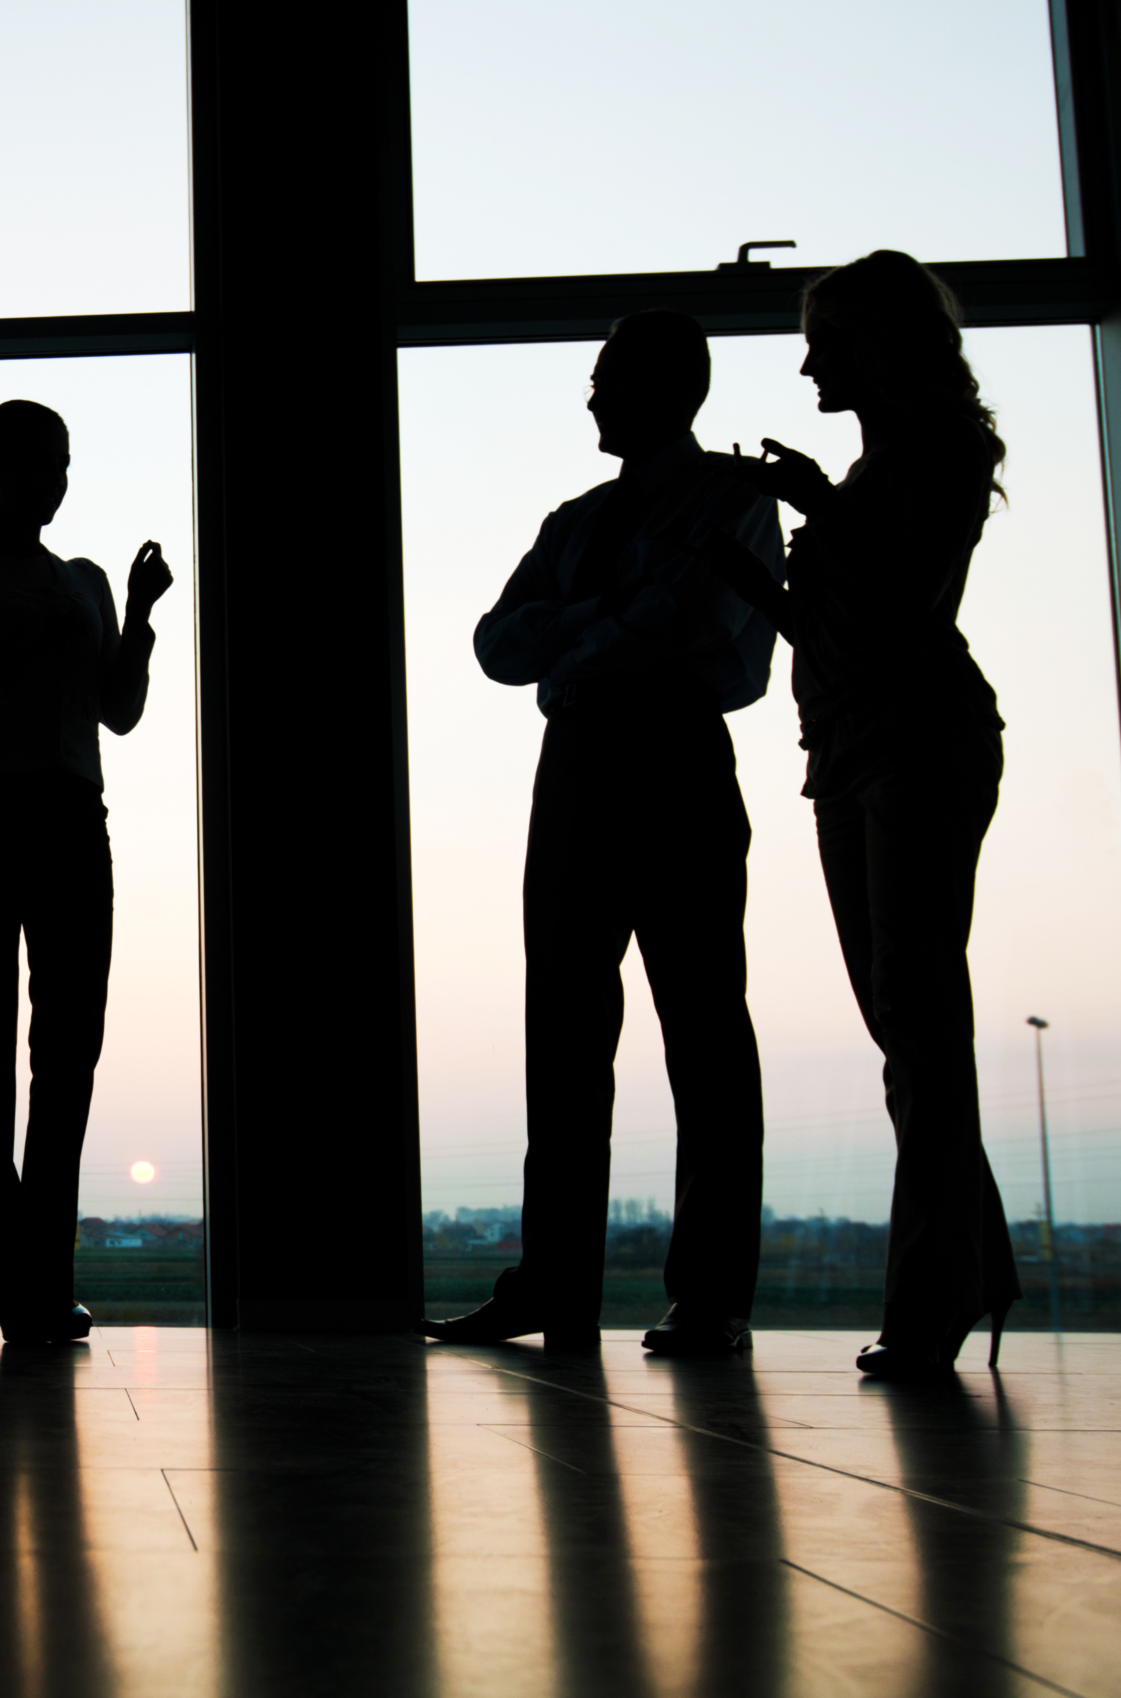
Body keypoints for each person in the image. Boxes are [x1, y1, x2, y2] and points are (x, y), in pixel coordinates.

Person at [423, 310, 783, 1357]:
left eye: (608, 378)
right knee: (563, 1030)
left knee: (703, 1025)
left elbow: (718, 643)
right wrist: (622, 618)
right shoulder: (577, 518)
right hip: (579, 762)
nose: (590, 397)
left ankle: (710, 1297)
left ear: (671, 387)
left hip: (672, 757)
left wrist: (576, 633)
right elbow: (497, 645)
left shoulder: (735, 500)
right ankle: (553, 1285)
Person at [704, 251, 1020, 1379]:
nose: (807, 365)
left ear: (878, 345)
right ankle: (963, 1270)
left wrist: (812, 506)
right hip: (851, 749)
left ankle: (937, 1296)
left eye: (825, 344)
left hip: (915, 745)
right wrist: (749, 573)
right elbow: (836, 628)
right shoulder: (884, 464)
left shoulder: (939, 454)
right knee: (906, 1025)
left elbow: (897, 609)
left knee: (917, 1020)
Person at [0, 402, 170, 1344]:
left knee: (68, 1053)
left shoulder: (86, 579)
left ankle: (39, 1274)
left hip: (74, 817)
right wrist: (2, 669)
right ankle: (1, 1275)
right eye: (34, 466)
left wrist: (141, 617)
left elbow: (119, 710)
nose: (52, 484)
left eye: (62, 466)